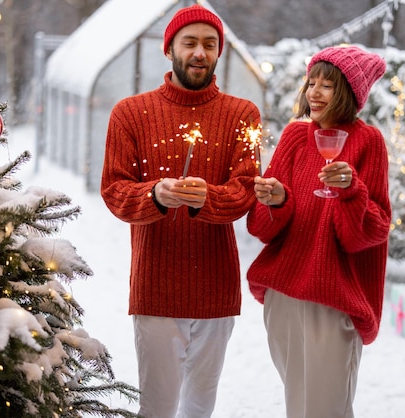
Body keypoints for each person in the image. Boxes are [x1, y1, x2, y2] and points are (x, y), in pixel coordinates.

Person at [100, 5, 261, 417]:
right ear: (168, 48)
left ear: (219, 52)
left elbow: (244, 191)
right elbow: (115, 190)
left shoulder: (243, 115)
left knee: (199, 407)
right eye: (189, 43)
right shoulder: (130, 113)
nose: (199, 53)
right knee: (156, 407)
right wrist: (155, 194)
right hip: (157, 287)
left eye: (210, 44)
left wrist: (206, 198)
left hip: (215, 289)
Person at [246, 45, 391, 418]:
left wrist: (351, 191)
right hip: (284, 294)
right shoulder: (295, 136)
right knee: (299, 403)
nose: (314, 92)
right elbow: (261, 228)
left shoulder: (368, 141)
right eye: (311, 82)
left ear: (348, 93)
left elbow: (369, 233)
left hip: (332, 297)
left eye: (327, 85)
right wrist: (276, 201)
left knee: (325, 410)